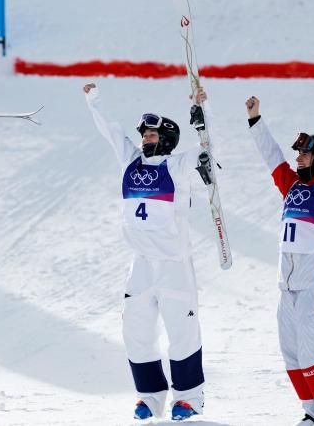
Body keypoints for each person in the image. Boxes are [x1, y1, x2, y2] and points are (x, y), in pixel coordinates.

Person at [84, 82, 211, 421]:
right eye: (144, 134)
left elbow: (209, 151)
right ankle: (150, 396)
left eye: (152, 134)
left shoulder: (177, 166)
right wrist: (94, 101)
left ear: (167, 138)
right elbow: (111, 131)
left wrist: (203, 112)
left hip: (173, 263)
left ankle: (188, 398)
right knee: (136, 332)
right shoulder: (129, 161)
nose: (145, 138)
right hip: (140, 264)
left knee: (181, 333)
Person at [245, 96, 314, 425]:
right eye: (297, 153)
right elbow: (271, 157)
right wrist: (256, 120)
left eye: (304, 153)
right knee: (292, 354)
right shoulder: (292, 185)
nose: (298, 158)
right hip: (288, 285)